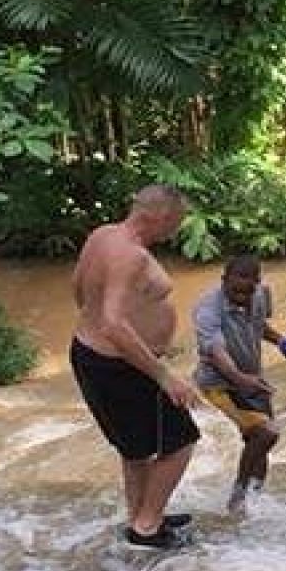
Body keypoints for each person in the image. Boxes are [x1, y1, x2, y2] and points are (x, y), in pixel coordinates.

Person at [70, 184, 202, 550]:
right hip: (122, 365)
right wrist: (164, 375)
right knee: (181, 440)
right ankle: (147, 527)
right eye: (175, 222)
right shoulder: (132, 257)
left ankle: (141, 514)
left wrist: (92, 320)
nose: (176, 230)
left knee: (136, 447)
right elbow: (113, 323)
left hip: (92, 355)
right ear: (157, 216)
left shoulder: (102, 236)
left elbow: (79, 288)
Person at [193, 254, 286, 512]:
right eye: (236, 291)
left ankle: (256, 499)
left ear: (257, 283)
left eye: (248, 291)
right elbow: (215, 351)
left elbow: (259, 325)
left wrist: (281, 341)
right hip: (219, 383)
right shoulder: (208, 309)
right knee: (265, 433)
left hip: (251, 377)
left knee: (260, 441)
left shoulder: (261, 294)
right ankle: (238, 496)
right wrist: (240, 379)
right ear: (224, 281)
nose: (242, 297)